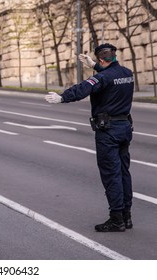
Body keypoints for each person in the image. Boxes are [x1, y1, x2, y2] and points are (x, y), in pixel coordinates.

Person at [44, 43, 134, 232]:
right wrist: (94, 66)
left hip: (108, 131)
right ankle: (126, 216)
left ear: (101, 58)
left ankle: (116, 219)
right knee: (124, 173)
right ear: (114, 56)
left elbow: (85, 87)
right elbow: (111, 75)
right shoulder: (126, 73)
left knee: (112, 175)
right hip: (125, 128)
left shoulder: (102, 77)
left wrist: (62, 97)